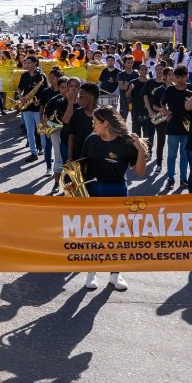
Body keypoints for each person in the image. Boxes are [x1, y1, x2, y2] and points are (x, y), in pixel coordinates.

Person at [77, 107, 147, 292]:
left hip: (117, 189)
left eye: (95, 122)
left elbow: (139, 172)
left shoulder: (126, 143)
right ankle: (92, 272)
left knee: (117, 236)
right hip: (93, 190)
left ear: (105, 123)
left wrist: (140, 151)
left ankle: (116, 274)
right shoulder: (91, 140)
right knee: (93, 234)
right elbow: (80, 168)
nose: (92, 124)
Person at [15, 59, 47, 160]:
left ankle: (46, 152)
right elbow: (20, 88)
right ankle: (33, 153)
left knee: (41, 131)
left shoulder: (41, 76)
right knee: (29, 131)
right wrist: (20, 97)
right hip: (27, 107)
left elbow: (47, 90)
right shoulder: (24, 75)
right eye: (26, 63)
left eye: (29, 63)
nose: (27, 65)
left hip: (38, 108)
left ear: (35, 64)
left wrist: (41, 100)